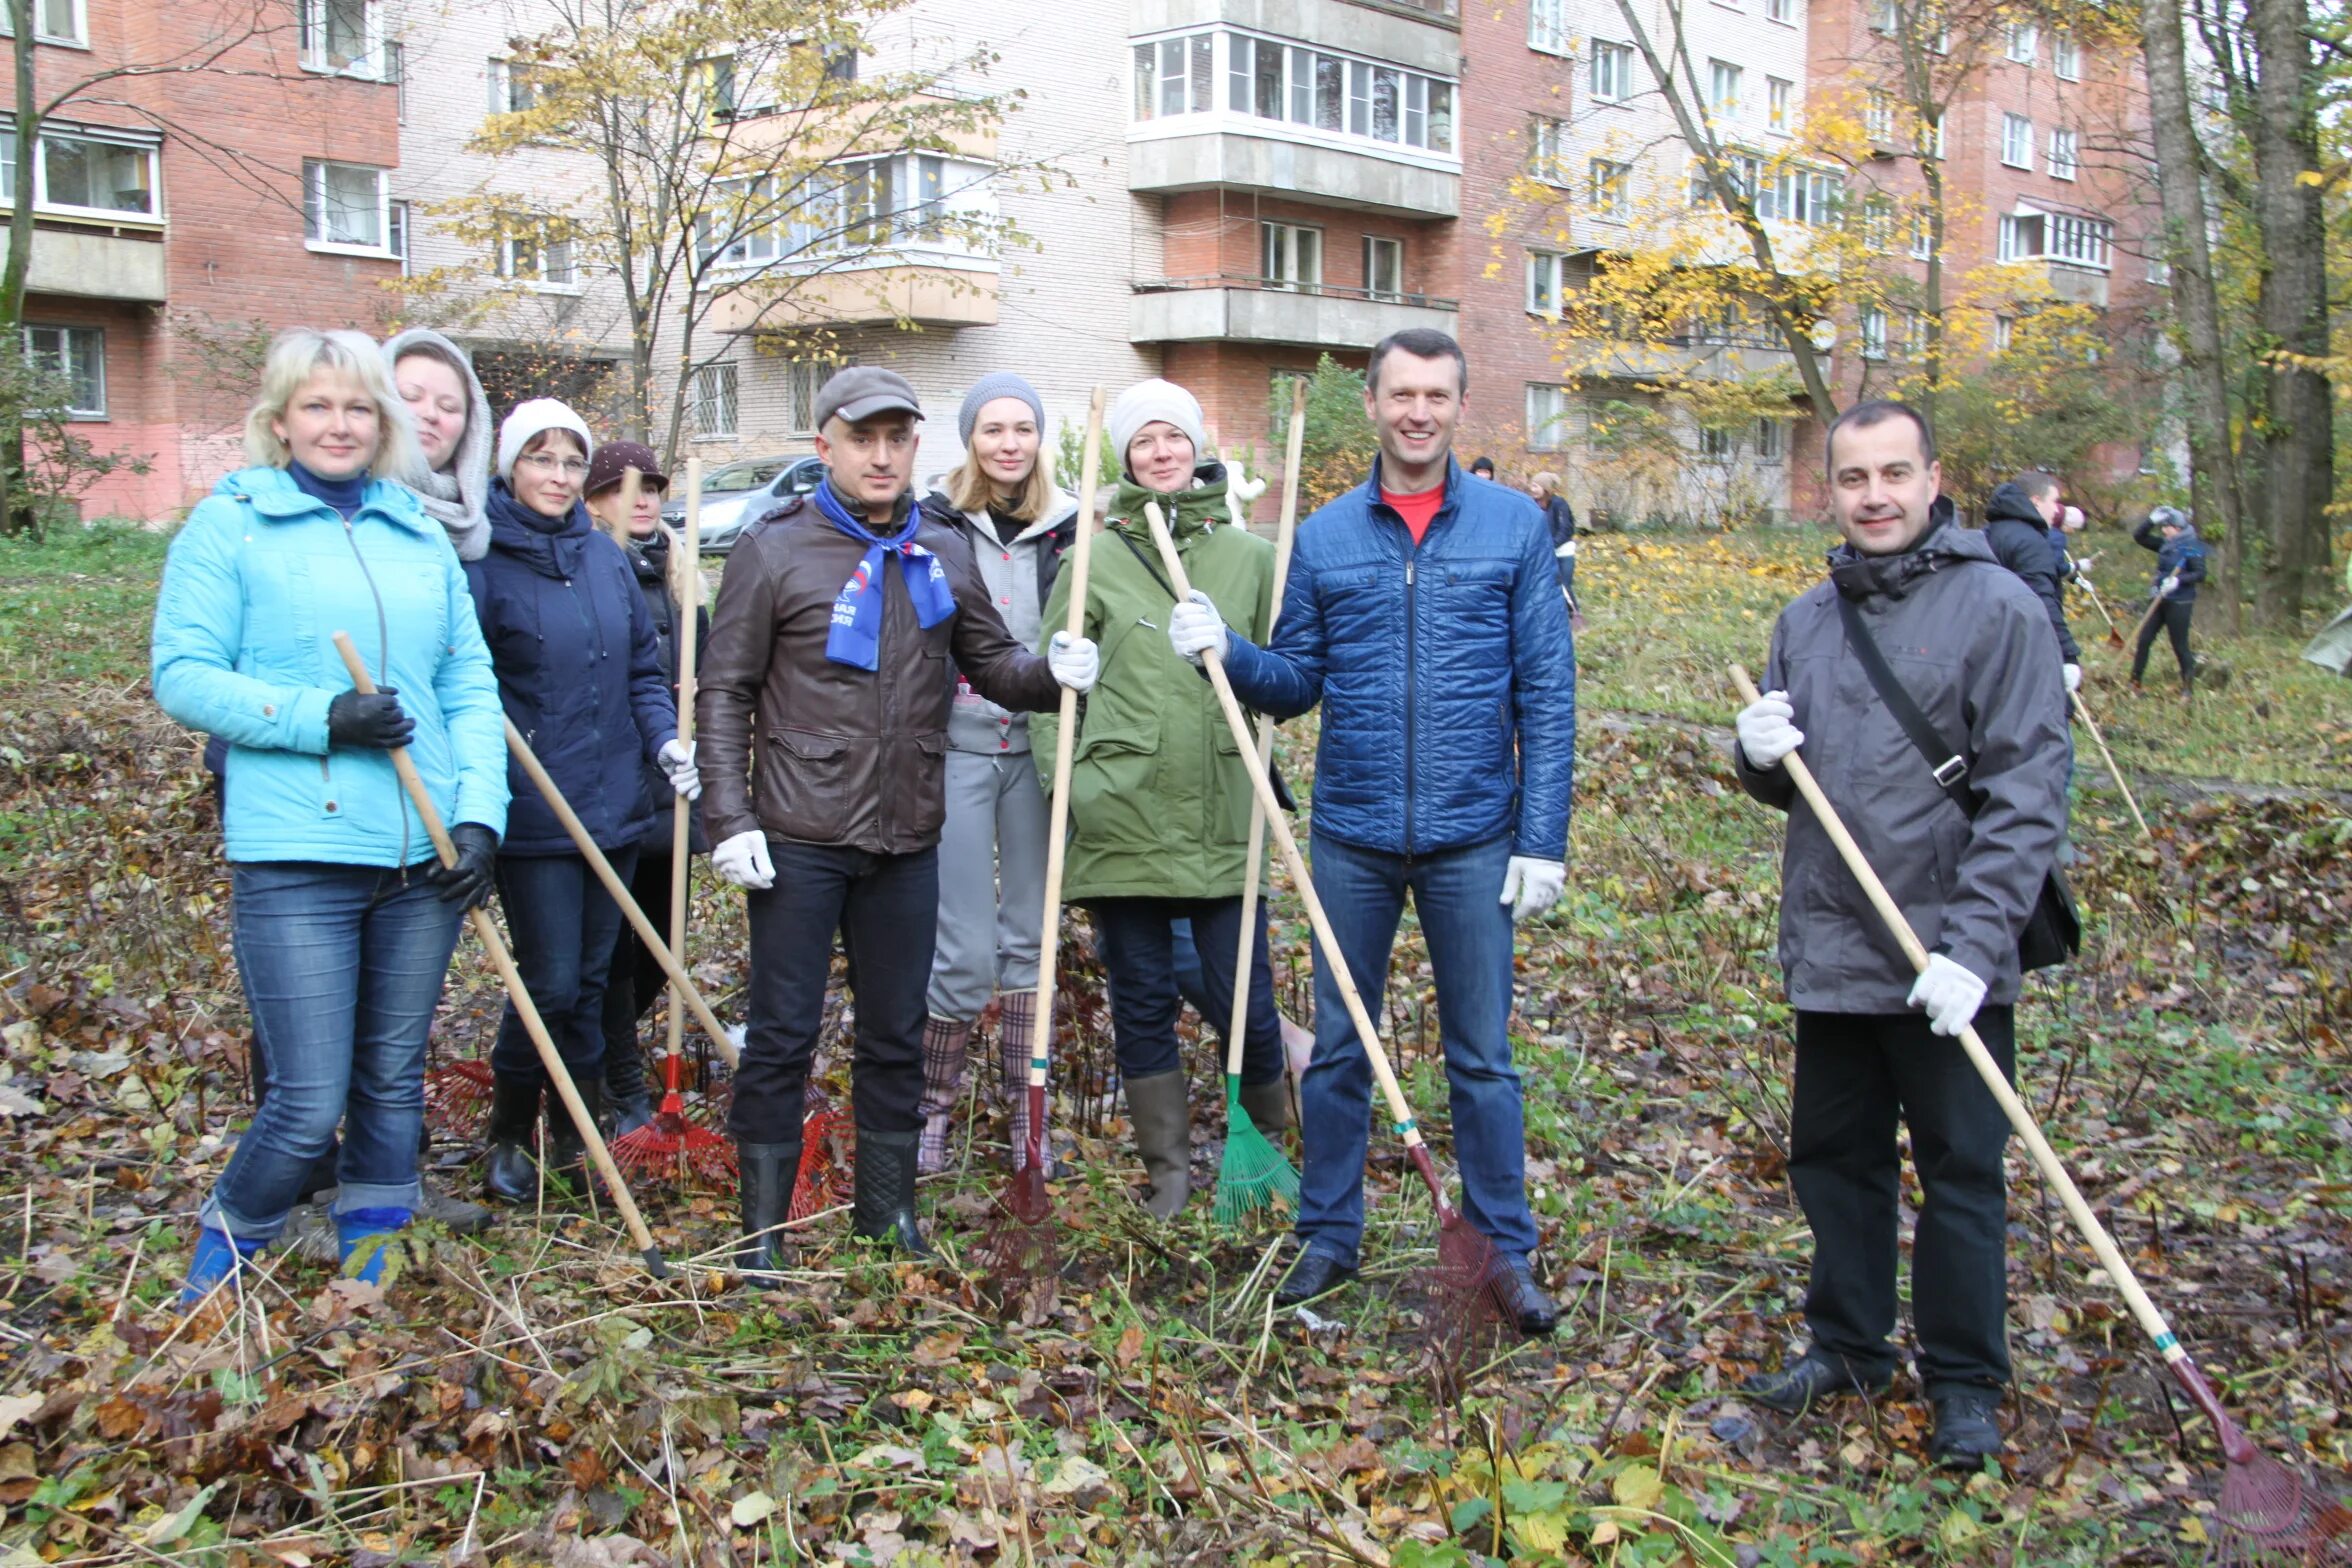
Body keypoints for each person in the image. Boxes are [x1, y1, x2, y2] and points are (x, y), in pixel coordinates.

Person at [1168, 329, 1574, 1335]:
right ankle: (1328, 1237)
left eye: (1437, 393)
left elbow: (1549, 694)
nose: (1419, 411)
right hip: (1352, 831)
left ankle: (1503, 1249)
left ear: (1459, 402)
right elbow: (1299, 681)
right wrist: (1229, 651)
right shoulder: (1330, 534)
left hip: (1475, 830)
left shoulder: (1513, 528)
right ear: (1375, 405)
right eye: (1402, 393)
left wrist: (1543, 836)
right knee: (1344, 1048)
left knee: (1481, 1055)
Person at [696, 367, 1100, 1276]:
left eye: (897, 439)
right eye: (861, 438)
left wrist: (1055, 671)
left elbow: (993, 664)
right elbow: (724, 690)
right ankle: (765, 1233)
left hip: (907, 832)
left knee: (894, 1031)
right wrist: (730, 817)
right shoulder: (774, 550)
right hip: (798, 834)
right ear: (825, 446)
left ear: (917, 447)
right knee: (784, 1032)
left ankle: (886, 1215)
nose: (881, 456)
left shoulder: (942, 551)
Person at [1729, 399, 2068, 1468]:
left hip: (1945, 957)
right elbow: (1801, 790)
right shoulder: (1806, 619)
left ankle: (1965, 1379)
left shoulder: (2001, 607)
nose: (1874, 496)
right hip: (1834, 948)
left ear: (1932, 481)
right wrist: (1754, 754)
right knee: (1836, 1161)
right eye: (1853, 478)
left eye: (1894, 474)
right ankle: (1849, 1344)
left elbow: (2025, 795)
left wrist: (1973, 948)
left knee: (1963, 1169)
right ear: (1828, 490)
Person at [151, 327, 509, 1300]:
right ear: (279, 420)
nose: (339, 424)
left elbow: (468, 683)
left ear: (383, 422)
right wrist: (321, 717)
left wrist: (480, 817)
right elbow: (181, 674)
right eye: (318, 405)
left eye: (358, 407)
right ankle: (211, 1284)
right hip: (298, 853)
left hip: (418, 854)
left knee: (392, 1081)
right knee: (307, 1101)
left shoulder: (412, 528)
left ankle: (371, 1264)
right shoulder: (231, 524)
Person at [1034, 377, 1290, 1220]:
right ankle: (1171, 1176)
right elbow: (1049, 694)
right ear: (1126, 458)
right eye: (1143, 441)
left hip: (1224, 806)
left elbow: (1286, 679)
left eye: (1172, 437)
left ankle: (1266, 1149)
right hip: (1122, 813)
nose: (1160, 452)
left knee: (1245, 997)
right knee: (1140, 998)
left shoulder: (1252, 558)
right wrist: (1067, 788)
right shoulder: (1091, 559)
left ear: (1197, 447)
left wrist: (1240, 652)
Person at [466, 401, 693, 1201]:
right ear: (509, 466)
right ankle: (507, 1133)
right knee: (551, 983)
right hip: (534, 811)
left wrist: (664, 738)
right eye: (540, 458)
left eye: (570, 461)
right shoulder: (481, 562)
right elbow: (468, 689)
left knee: (599, 981)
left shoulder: (605, 560)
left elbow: (640, 672)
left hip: (615, 805)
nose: (557, 476)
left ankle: (576, 1134)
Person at [910, 375, 1080, 1175]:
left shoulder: (1073, 526)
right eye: (991, 429)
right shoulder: (935, 523)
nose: (1008, 443)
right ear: (969, 438)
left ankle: (1028, 1119)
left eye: (1022, 428)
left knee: (1030, 937)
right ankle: (928, 1113)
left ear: (1039, 438)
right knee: (963, 947)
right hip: (958, 748)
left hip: (1042, 752)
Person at [581, 441, 707, 1138]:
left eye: (655, 487)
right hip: (607, 788)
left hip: (669, 789)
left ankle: (595, 1054)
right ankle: (612, 1080)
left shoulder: (683, 577)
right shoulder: (593, 570)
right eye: (627, 488)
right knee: (608, 950)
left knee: (658, 946)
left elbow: (711, 667)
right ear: (595, 502)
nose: (645, 498)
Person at [386, 329, 495, 563]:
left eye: (448, 407)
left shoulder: (480, 530)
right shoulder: (342, 505)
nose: (430, 414)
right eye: (410, 396)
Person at [1977, 471, 2080, 697]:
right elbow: (2041, 600)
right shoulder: (2030, 542)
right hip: (2024, 647)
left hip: (1987, 646)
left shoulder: (1987, 533)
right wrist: (2067, 655)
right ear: (2036, 501)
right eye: (2053, 501)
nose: (2056, 510)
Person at [2131, 505, 2206, 695]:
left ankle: (2187, 689)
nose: (2164, 531)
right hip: (2159, 599)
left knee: (2179, 645)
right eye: (2162, 526)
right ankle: (2135, 683)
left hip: (2180, 602)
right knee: (2144, 639)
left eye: (2167, 527)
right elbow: (2139, 537)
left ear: (2178, 528)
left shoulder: (2192, 546)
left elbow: (2200, 573)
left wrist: (2178, 580)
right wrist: (2150, 521)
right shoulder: (2166, 543)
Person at [1528, 471, 1580, 625]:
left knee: (1564, 584)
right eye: (1531, 485)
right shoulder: (1532, 505)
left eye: (1535, 486)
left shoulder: (1559, 504)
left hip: (1563, 551)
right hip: (1544, 551)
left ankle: (1575, 615)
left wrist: (1551, 544)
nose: (1532, 489)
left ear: (1545, 488)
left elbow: (1565, 529)